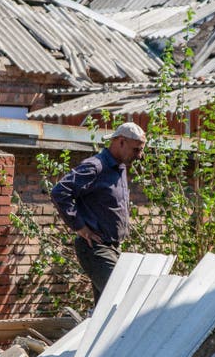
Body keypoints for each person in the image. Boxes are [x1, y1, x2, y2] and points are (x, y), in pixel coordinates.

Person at [50, 122, 146, 301]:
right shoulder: (96, 166)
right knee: (121, 300)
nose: (140, 156)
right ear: (121, 142)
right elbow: (60, 191)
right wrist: (79, 226)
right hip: (95, 249)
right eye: (136, 150)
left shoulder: (120, 168)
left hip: (112, 248)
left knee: (105, 309)